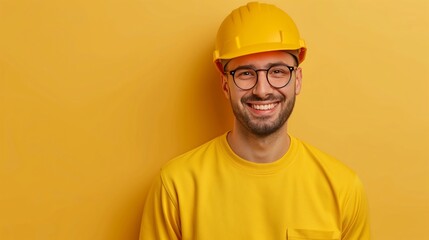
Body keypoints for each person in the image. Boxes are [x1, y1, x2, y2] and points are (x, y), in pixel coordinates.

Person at [139, 2, 370, 239]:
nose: (262, 90)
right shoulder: (176, 187)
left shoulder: (343, 189)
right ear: (225, 84)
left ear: (297, 79)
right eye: (246, 73)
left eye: (278, 71)